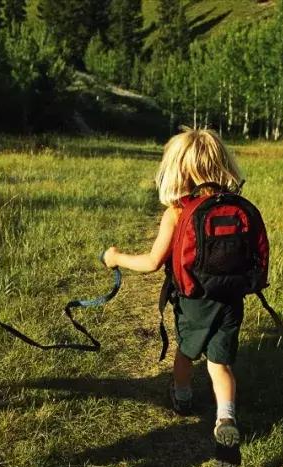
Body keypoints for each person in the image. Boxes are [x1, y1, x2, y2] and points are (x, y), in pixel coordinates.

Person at [103, 128, 252, 448]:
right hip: (229, 299)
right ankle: (226, 417)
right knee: (219, 363)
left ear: (177, 170)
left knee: (185, 351)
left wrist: (115, 257)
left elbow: (153, 261)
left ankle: (182, 396)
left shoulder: (177, 212)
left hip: (193, 299)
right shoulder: (235, 206)